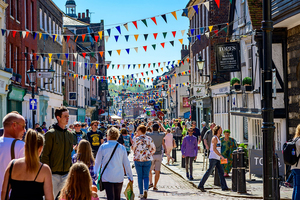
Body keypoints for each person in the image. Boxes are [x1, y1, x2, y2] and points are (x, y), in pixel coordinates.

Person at [1, 129, 53, 200]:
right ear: (40, 149)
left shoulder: (12, 165)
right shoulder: (44, 170)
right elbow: (49, 198)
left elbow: (4, 192)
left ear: (25, 146)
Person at [41, 106, 76, 199]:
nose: (67, 119)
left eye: (68, 116)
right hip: (53, 174)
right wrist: (47, 173)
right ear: (58, 118)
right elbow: (45, 155)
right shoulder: (50, 134)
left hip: (66, 174)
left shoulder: (70, 134)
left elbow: (69, 154)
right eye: (65, 116)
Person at [94, 127, 133, 200]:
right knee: (117, 197)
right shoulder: (121, 148)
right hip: (118, 176)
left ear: (108, 136)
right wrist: (130, 176)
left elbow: (97, 162)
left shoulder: (103, 147)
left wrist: (95, 173)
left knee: (110, 197)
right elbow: (126, 163)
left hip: (107, 175)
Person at [197, 125, 229, 192]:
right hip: (213, 158)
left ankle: (224, 186)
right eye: (220, 129)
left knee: (221, 172)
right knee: (209, 171)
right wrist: (221, 156)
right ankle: (200, 185)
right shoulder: (214, 138)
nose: (222, 130)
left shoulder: (218, 138)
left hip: (217, 158)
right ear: (217, 130)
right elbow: (214, 149)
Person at [0, 112, 25, 193]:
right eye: (23, 126)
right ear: (14, 125)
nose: (24, 130)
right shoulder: (20, 146)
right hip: (11, 194)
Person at [132, 125, 156, 199]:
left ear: (140, 131)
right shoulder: (149, 138)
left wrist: (136, 152)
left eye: (137, 130)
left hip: (138, 159)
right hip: (147, 159)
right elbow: (153, 148)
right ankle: (146, 189)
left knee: (140, 177)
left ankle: (141, 193)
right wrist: (150, 153)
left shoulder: (136, 139)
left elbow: (133, 148)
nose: (136, 132)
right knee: (146, 176)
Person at [147, 122, 166, 191]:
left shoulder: (149, 135)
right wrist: (161, 125)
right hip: (159, 154)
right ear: (158, 128)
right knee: (157, 171)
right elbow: (166, 132)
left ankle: (151, 182)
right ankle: (155, 185)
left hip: (151, 155)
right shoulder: (161, 135)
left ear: (152, 128)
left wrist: (147, 125)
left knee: (149, 170)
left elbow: (143, 132)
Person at [290, 124, 300, 200]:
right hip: (299, 167)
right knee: (298, 188)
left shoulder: (295, 139)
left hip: (293, 166)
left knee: (296, 187)